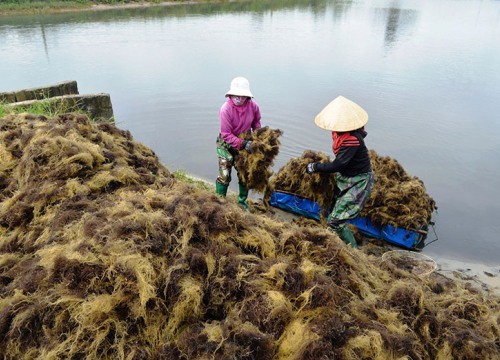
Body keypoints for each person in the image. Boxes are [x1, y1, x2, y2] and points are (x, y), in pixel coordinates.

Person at [305, 96, 375, 248]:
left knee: (335, 223)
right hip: (347, 178)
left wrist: (315, 167)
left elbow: (338, 165)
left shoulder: (353, 139)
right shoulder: (339, 133)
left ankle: (355, 253)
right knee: (334, 213)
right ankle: (339, 241)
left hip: (359, 183)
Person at [216, 76, 262, 211]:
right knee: (225, 175)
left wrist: (257, 138)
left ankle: (242, 202)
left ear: (247, 96)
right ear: (231, 94)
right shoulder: (225, 109)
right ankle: (220, 201)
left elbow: (256, 123)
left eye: (242, 96)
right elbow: (226, 134)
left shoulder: (253, 106)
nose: (239, 98)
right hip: (226, 145)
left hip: (244, 144)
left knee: (245, 174)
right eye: (236, 95)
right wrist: (243, 144)